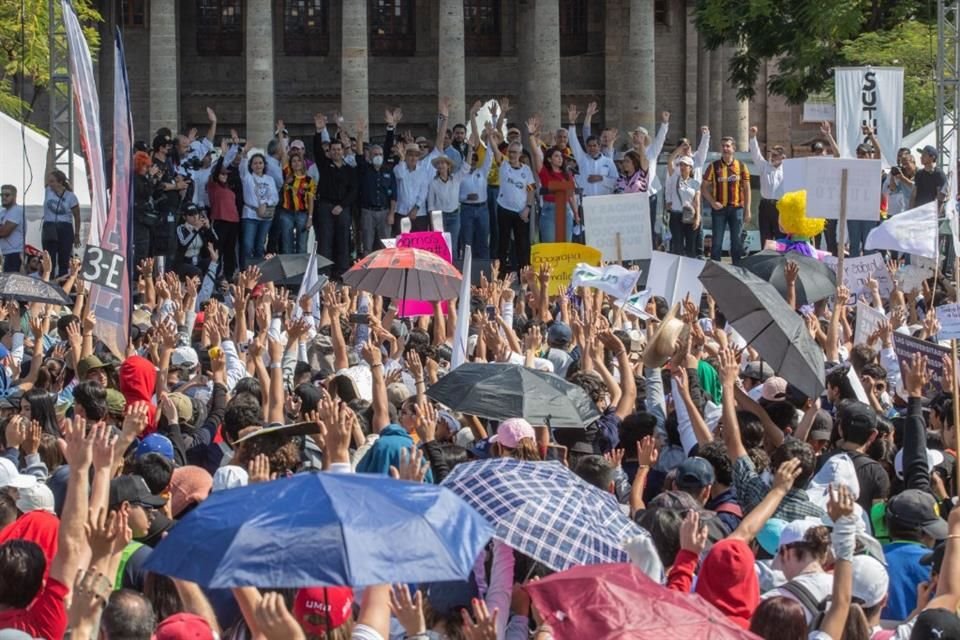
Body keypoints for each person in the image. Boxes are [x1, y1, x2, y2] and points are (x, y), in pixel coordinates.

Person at [354, 113, 398, 257]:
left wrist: (392, 213)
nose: (378, 156)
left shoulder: (388, 170)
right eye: (375, 154)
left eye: (380, 154)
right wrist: (360, 133)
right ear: (370, 156)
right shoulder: (365, 169)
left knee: (386, 245)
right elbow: (359, 153)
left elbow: (394, 195)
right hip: (368, 212)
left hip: (385, 212)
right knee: (367, 245)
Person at [702, 137, 751, 264]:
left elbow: (747, 189)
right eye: (723, 146)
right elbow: (703, 188)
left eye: (728, 146)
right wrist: (712, 202)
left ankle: (737, 269)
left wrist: (748, 210)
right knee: (717, 242)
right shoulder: (713, 166)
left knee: (737, 242)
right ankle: (715, 270)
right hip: (719, 210)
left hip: (737, 209)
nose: (725, 148)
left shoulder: (741, 166)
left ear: (734, 148)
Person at [529, 124, 579, 244]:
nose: (560, 158)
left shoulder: (568, 175)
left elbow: (571, 197)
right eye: (556, 156)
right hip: (549, 210)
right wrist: (531, 135)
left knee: (565, 248)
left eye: (561, 156)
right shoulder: (545, 173)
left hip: (566, 211)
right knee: (550, 248)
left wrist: (576, 214)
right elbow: (536, 153)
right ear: (550, 159)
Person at [238, 147, 280, 269]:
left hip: (265, 216)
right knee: (247, 245)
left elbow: (275, 198)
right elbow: (242, 167)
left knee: (260, 246)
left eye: (260, 163)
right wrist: (245, 154)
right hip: (250, 215)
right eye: (255, 163)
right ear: (251, 165)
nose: (258, 165)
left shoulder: (270, 179)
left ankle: (258, 273)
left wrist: (265, 203)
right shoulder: (247, 177)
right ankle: (245, 271)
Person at [748, 126, 785, 248]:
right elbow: (756, 155)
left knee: (781, 236)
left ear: (782, 157)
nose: (772, 157)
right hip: (765, 205)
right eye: (771, 154)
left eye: (775, 155)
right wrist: (753, 137)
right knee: (765, 237)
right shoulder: (764, 166)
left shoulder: (787, 170)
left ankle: (780, 261)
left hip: (780, 206)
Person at [42, 170, 81, 278]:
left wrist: (77, 234)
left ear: (60, 182)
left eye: (52, 181)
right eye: (49, 181)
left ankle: (63, 284)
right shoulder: (48, 191)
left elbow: (77, 216)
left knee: (64, 259)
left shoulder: (71, 196)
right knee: (49, 259)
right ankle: (49, 282)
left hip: (65, 228)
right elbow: (48, 167)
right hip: (49, 227)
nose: (50, 184)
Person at [276, 148, 316, 255]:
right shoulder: (287, 174)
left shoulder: (309, 180)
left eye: (299, 160)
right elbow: (284, 155)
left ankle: (301, 271)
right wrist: (280, 133)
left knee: (302, 246)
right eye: (294, 161)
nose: (296, 163)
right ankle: (288, 272)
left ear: (303, 163)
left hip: (302, 214)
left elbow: (311, 200)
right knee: (286, 245)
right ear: (291, 163)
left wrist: (310, 218)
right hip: (286, 213)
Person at [665, 155, 700, 257]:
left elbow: (697, 202)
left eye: (685, 165)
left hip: (689, 215)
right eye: (681, 165)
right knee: (677, 246)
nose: (682, 167)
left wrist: (697, 218)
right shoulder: (674, 178)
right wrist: (680, 148)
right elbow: (670, 160)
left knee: (691, 247)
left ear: (690, 168)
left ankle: (690, 269)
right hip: (676, 215)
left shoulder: (695, 183)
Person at [911, 144, 947, 210]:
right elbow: (913, 194)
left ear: (932, 157)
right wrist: (910, 211)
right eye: (921, 155)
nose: (921, 157)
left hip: (931, 213)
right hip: (918, 211)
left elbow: (941, 197)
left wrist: (937, 215)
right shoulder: (919, 173)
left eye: (924, 155)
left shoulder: (939, 174)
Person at [0, 185, 25, 272]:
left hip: (14, 254)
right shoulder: (3, 212)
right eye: (1, 195)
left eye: (7, 195)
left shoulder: (16, 210)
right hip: (5, 254)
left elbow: (3, 232)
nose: (3, 197)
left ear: (14, 197)